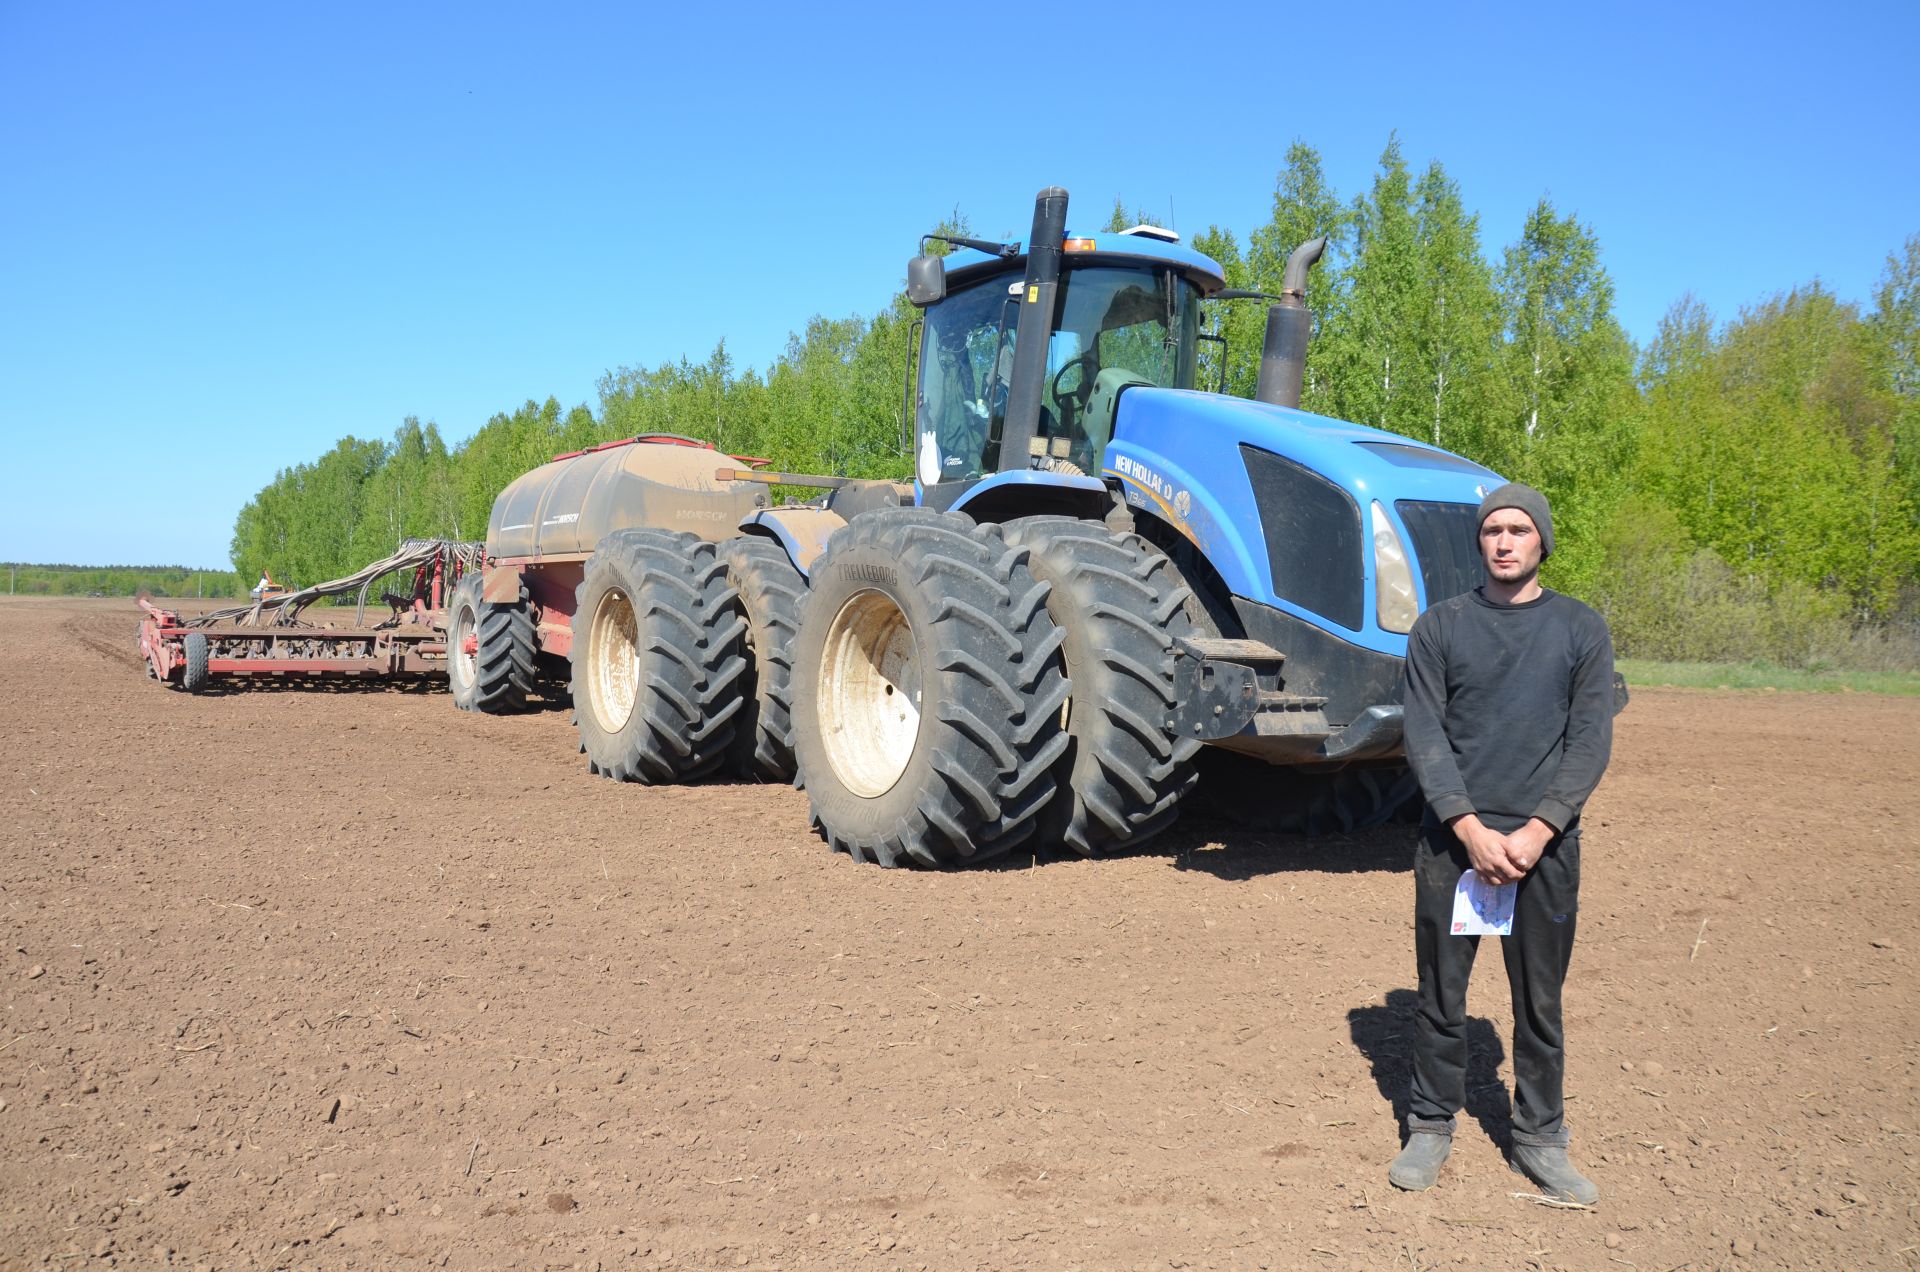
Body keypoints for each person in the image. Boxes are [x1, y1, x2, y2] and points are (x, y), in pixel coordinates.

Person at [1389, 482, 1616, 1205]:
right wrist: (1468, 827)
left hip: (1544, 850)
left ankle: (1540, 1139)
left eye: (1520, 529)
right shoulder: (1440, 628)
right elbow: (1422, 734)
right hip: (1454, 847)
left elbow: (1590, 741)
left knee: (1540, 1001)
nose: (1506, 541)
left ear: (1542, 541)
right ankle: (1430, 1125)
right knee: (1441, 995)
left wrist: (1539, 827)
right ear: (1480, 543)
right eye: (1493, 530)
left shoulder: (1581, 629)